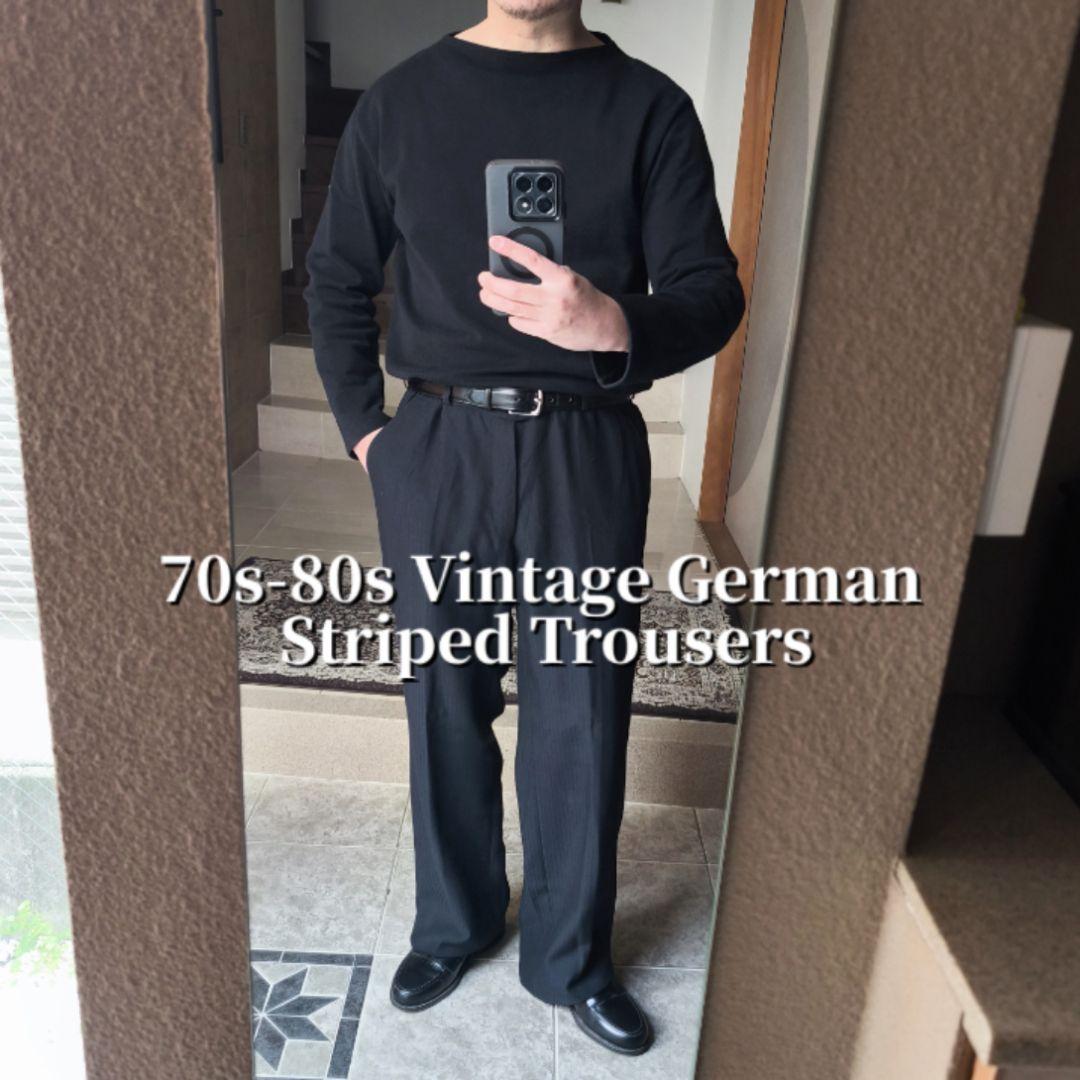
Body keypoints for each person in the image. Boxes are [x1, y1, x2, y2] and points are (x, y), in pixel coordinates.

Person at [305, 0, 744, 1057]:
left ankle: (570, 958)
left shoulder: (649, 108)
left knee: (582, 710)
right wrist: (369, 434)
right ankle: (453, 924)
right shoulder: (401, 103)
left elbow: (712, 292)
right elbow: (335, 277)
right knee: (442, 700)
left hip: (586, 443)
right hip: (437, 446)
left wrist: (614, 323)